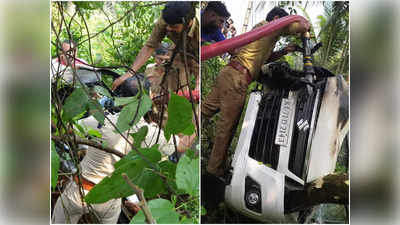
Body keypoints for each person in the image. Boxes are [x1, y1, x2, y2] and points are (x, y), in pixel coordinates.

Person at [202, 7, 310, 178]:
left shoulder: (262, 31)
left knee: (203, 111)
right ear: (276, 18)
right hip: (237, 79)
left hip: (228, 73)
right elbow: (299, 27)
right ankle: (214, 173)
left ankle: (184, 139)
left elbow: (263, 59)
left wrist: (283, 51)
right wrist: (303, 26)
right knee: (227, 128)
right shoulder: (272, 26)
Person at [51, 78, 177, 224]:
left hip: (79, 193)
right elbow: (181, 146)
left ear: (121, 99)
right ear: (147, 100)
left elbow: (65, 131)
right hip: (110, 200)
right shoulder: (152, 134)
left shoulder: (101, 121)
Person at [111, 2, 199, 93]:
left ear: (189, 23)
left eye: (173, 26)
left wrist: (198, 84)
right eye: (167, 24)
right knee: (167, 88)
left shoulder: (199, 33)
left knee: (181, 92)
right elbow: (150, 46)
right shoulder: (167, 19)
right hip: (177, 53)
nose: (168, 28)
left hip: (195, 58)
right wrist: (129, 73)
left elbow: (200, 63)